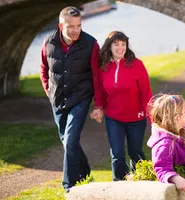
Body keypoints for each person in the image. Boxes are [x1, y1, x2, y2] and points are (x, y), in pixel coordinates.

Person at [39, 6, 102, 192]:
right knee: (67, 141)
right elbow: (44, 69)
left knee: (71, 140)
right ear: (61, 25)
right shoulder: (48, 42)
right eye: (71, 26)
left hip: (81, 98)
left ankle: (69, 186)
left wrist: (98, 104)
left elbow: (97, 76)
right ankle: (85, 173)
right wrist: (49, 90)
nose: (75, 30)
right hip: (57, 99)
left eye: (78, 25)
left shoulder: (91, 44)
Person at [90, 31, 152, 181]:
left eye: (123, 44)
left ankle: (140, 182)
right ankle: (119, 185)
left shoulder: (137, 65)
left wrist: (152, 119)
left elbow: (146, 93)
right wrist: (98, 107)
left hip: (136, 118)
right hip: (114, 118)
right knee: (117, 154)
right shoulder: (104, 67)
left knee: (135, 152)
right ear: (109, 46)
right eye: (116, 44)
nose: (120, 47)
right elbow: (100, 91)